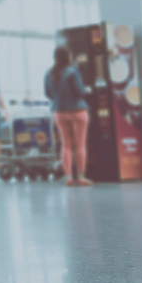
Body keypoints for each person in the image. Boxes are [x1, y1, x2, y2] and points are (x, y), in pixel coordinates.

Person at [45, 46, 91, 186]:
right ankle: (82, 177)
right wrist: (87, 90)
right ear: (68, 56)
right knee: (80, 145)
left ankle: (68, 177)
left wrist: (59, 99)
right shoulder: (73, 71)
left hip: (59, 112)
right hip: (77, 111)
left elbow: (47, 93)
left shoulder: (49, 73)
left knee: (66, 145)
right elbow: (79, 91)